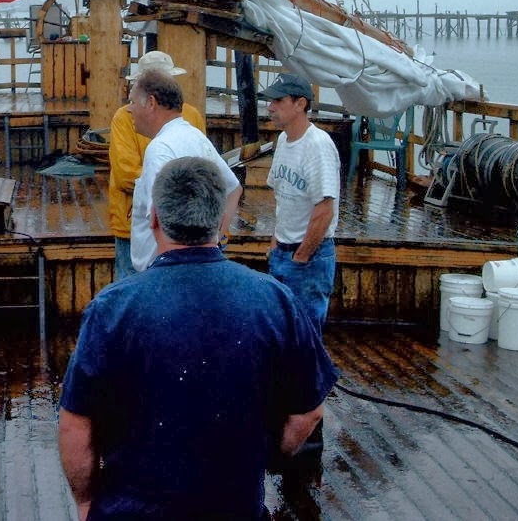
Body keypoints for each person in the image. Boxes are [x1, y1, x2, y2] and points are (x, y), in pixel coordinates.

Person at [58, 156, 338, 520]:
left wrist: (84, 501)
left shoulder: (112, 308)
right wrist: (266, 456)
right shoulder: (275, 300)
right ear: (220, 220)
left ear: (154, 218)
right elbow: (309, 410)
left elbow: (75, 423)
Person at [127, 69, 240, 273]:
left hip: (163, 272)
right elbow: (233, 189)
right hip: (200, 266)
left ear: (151, 102)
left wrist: (166, 267)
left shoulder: (160, 149)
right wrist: (215, 241)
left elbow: (160, 216)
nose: (128, 109)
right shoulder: (196, 136)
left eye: (132, 101)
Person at [106, 51, 206, 280]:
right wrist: (182, 192)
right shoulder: (125, 117)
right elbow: (124, 175)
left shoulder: (192, 116)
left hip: (177, 228)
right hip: (137, 225)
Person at [260, 72, 340, 331]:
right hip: (282, 251)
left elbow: (324, 211)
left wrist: (302, 256)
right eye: (270, 101)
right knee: (281, 329)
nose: (270, 107)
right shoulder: (283, 141)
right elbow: (281, 197)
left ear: (300, 104)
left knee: (305, 332)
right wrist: (275, 243)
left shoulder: (318, 146)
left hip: (309, 257)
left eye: (278, 100)